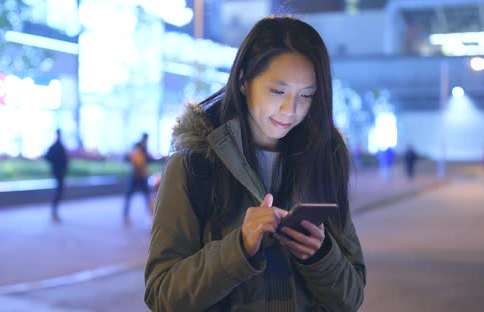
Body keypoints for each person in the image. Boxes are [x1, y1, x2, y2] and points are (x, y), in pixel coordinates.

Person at [145, 16, 365, 311]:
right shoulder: (195, 163)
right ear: (244, 81)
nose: (291, 110)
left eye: (307, 95)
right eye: (278, 91)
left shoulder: (324, 160)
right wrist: (239, 249)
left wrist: (321, 257)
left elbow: (351, 299)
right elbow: (162, 295)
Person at [123, 133, 152, 224]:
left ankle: (151, 216)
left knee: (146, 196)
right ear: (144, 138)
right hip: (136, 175)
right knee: (130, 195)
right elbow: (135, 160)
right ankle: (126, 216)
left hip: (140, 176)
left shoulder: (144, 148)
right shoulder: (138, 147)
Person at [44, 129, 69, 222]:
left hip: (60, 172)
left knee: (59, 192)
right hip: (58, 172)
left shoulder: (59, 146)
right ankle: (54, 212)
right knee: (58, 192)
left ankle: (55, 212)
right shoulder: (56, 146)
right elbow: (47, 157)